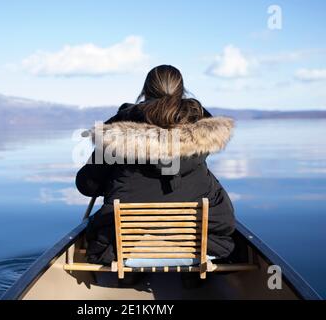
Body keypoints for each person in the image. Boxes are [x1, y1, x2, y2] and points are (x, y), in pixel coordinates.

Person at [76, 65, 235, 266]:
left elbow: (87, 186)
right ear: (182, 92)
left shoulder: (114, 134)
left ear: (145, 92)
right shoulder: (202, 134)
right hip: (205, 246)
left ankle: (127, 279)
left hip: (121, 248)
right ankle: (193, 280)